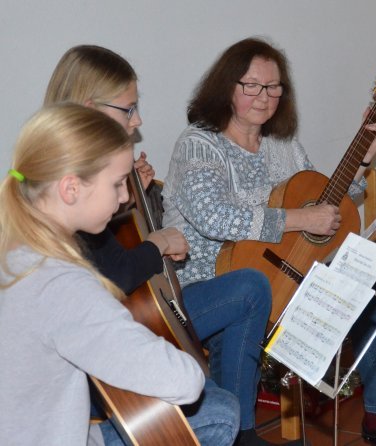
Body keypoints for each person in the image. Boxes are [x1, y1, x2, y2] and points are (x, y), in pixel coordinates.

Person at [162, 37, 376, 445]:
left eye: (274, 87)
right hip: (212, 283)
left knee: (365, 269)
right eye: (252, 85)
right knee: (248, 291)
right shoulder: (199, 143)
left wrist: (365, 157)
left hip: (281, 275)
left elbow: (323, 203)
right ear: (227, 87)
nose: (264, 96)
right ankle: (240, 433)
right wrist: (297, 218)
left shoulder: (281, 144)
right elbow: (214, 217)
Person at [43, 45, 275, 446]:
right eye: (128, 109)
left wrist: (126, 200)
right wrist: (157, 242)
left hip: (119, 330)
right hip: (93, 366)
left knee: (217, 390)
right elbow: (116, 275)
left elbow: (104, 256)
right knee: (217, 405)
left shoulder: (63, 186)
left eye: (273, 87)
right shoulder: (67, 187)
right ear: (88, 107)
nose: (138, 120)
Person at [0, 104, 239, 446]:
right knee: (217, 412)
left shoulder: (15, 245)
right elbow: (183, 381)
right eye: (116, 184)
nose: (126, 196)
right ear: (71, 189)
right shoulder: (59, 283)